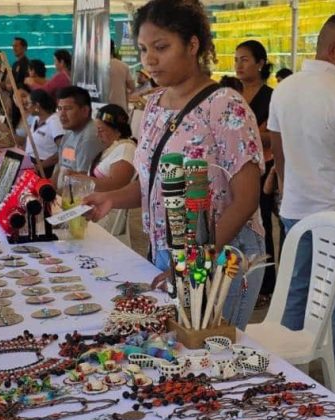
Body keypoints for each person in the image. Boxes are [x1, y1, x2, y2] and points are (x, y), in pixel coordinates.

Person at [83, 0, 265, 330]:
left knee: (211, 355)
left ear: (192, 45)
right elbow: (149, 185)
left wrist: (194, 263)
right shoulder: (152, 106)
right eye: (142, 49)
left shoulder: (225, 107)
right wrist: (111, 199)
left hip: (221, 255)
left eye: (161, 47)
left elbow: (246, 200)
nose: (149, 59)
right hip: (166, 251)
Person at [268, 13, 335, 384]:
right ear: (333, 50)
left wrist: (286, 191)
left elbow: (278, 154)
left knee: (294, 288)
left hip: (296, 210)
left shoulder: (284, 90)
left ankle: (284, 373)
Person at [234, 39, 280, 307]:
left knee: (260, 226)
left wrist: (245, 133)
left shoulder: (271, 97)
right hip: (236, 168)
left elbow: (273, 137)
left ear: (260, 63)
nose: (239, 65)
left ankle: (266, 283)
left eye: (245, 59)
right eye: (237, 59)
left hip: (262, 169)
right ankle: (239, 278)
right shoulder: (232, 94)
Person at [66, 104, 137, 235]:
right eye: (96, 130)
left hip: (107, 212)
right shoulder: (110, 148)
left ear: (117, 130)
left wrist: (84, 179)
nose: (98, 135)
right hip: (95, 207)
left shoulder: (126, 148)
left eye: (101, 130)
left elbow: (117, 185)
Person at [53, 86, 104, 186]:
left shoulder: (89, 138)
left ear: (85, 111)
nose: (62, 114)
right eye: (59, 108)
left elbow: (82, 183)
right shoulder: (69, 133)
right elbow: (59, 167)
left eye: (68, 108)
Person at [21, 88, 64, 176]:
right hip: (31, 166)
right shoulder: (36, 119)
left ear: (37, 106)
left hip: (46, 170)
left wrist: (39, 166)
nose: (26, 107)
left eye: (28, 104)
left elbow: (64, 151)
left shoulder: (55, 122)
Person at [107, 39, 136, 112]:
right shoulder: (122, 66)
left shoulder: (94, 66)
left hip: (99, 109)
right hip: (120, 108)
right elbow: (132, 87)